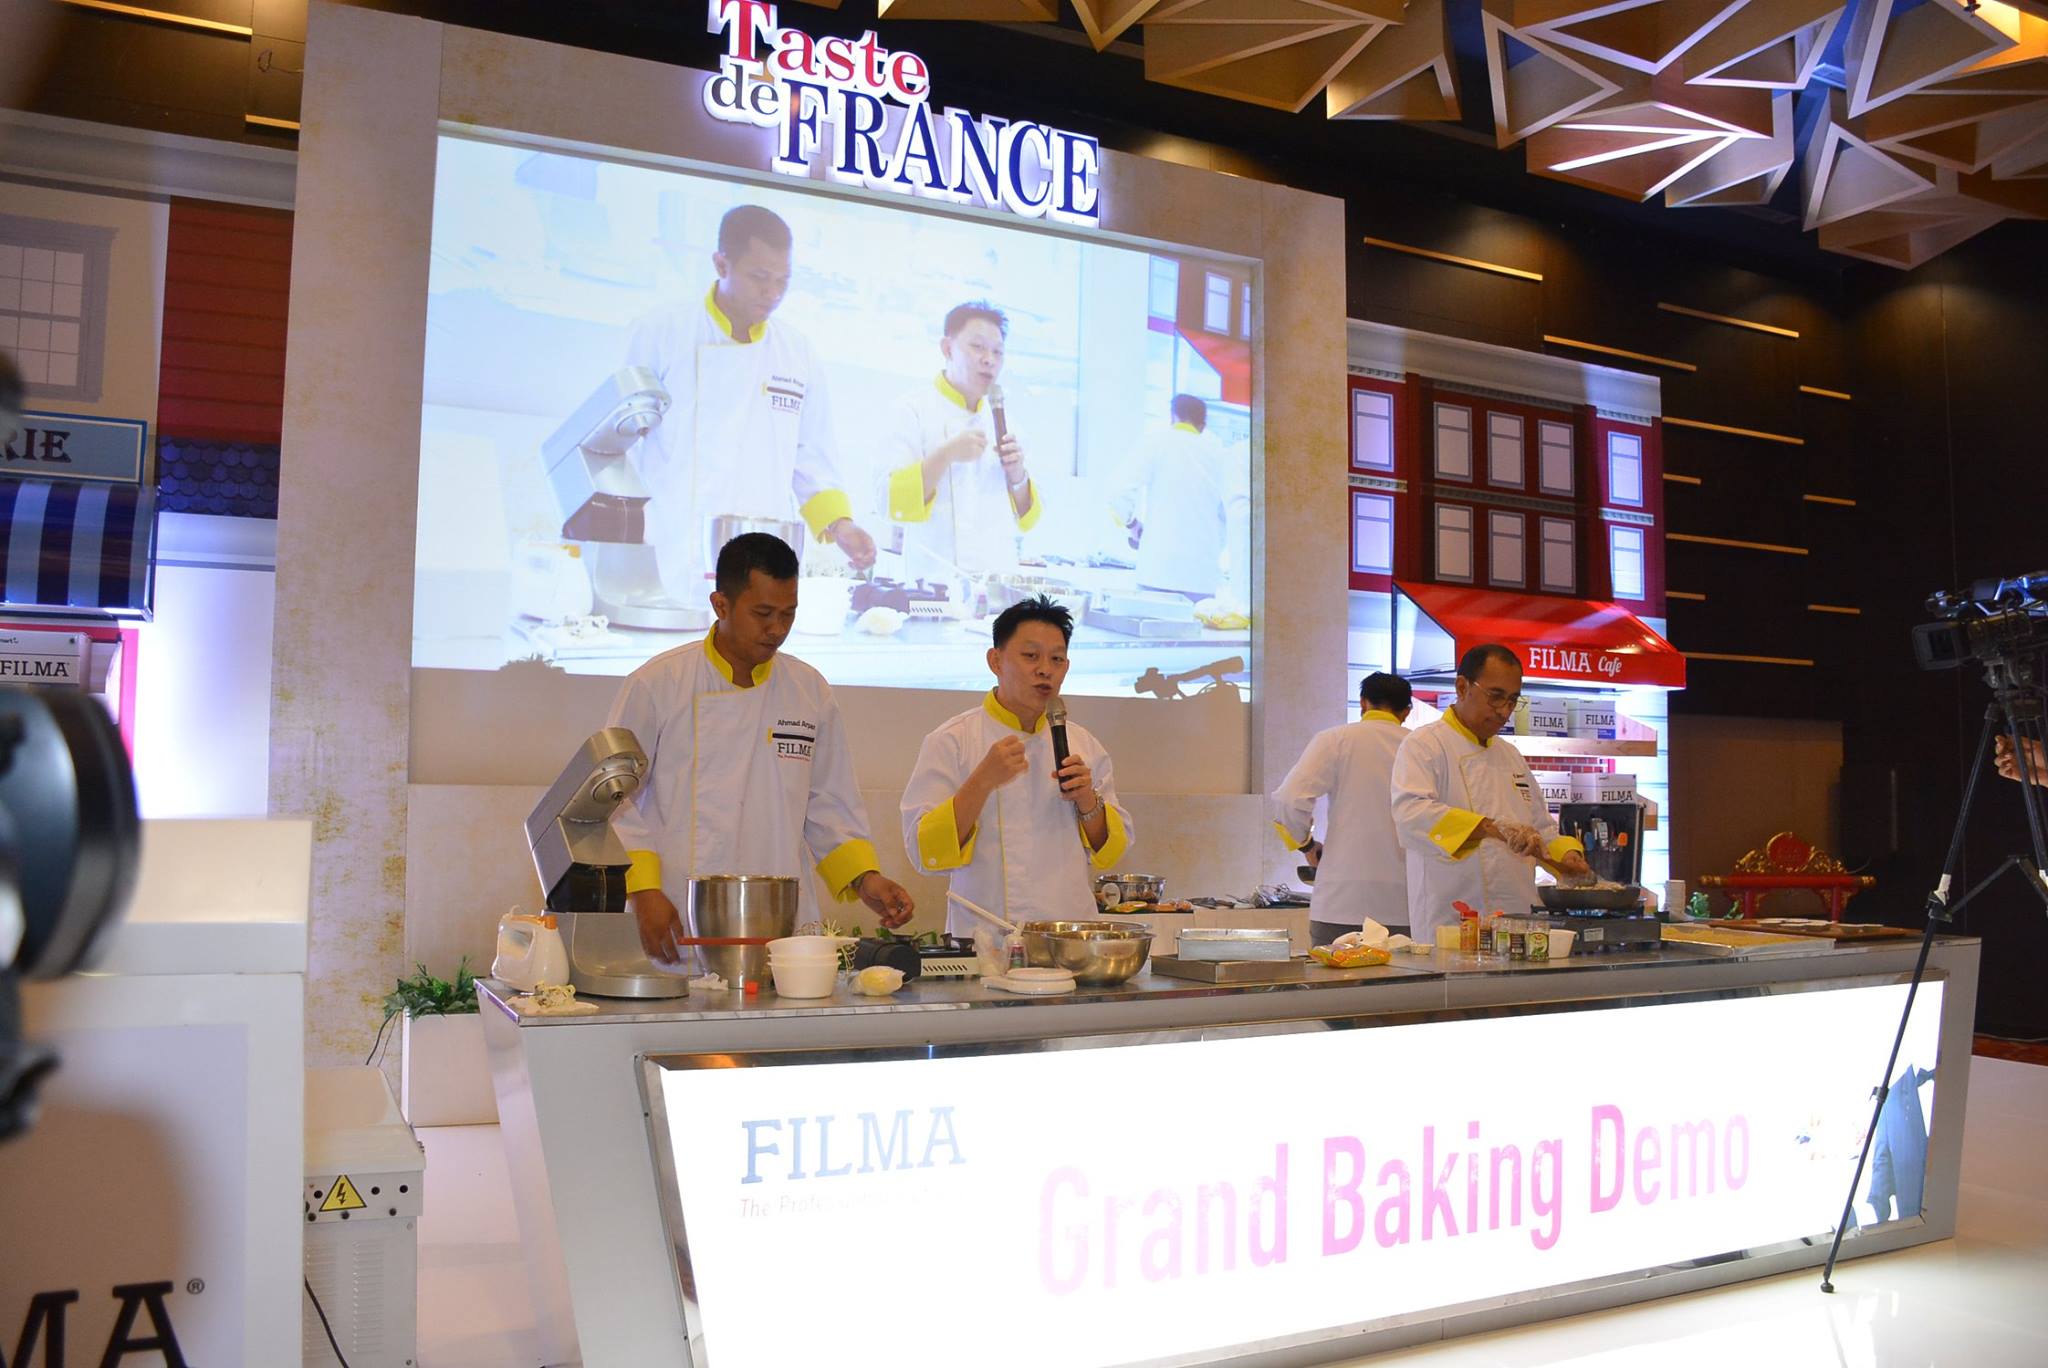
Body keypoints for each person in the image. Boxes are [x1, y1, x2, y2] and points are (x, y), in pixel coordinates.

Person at [610, 533, 913, 967]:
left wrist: (865, 878)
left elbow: (829, 802)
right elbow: (615, 801)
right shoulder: (658, 684)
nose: (777, 629)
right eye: (763, 614)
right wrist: (643, 891)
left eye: (788, 614)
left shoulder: (809, 691)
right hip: (677, 917)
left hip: (782, 923)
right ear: (721, 605)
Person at [625, 204, 877, 599]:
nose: (772, 293)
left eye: (783, 281)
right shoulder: (660, 332)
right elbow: (623, 442)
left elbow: (811, 455)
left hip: (763, 554)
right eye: (759, 278)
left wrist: (841, 525)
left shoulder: (797, 352)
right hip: (674, 550)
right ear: (721, 264)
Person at [901, 595, 1132, 939]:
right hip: (982, 937)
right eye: (1030, 656)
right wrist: (982, 781)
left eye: (1056, 659)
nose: (1045, 669)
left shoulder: (1084, 745)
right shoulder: (953, 740)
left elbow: (1111, 850)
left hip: (1067, 938)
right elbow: (925, 852)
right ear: (995, 660)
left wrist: (1088, 801)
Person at [1392, 644, 1593, 947]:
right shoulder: (1425, 745)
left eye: (1513, 700)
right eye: (1495, 696)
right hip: (1452, 920)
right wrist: (1491, 828)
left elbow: (1541, 827)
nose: (1504, 711)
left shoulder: (1510, 755)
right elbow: (1411, 814)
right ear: (1462, 687)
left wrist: (1566, 857)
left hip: (1517, 918)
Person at [878, 300, 1041, 578]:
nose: (989, 359)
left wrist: (1017, 475)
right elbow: (889, 503)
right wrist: (945, 455)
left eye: (998, 352)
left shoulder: (1010, 425)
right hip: (932, 583)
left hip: (997, 581)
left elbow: (1028, 519)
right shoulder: (912, 410)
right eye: (977, 347)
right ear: (947, 348)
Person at [1270, 671, 1414, 945]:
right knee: (1403, 973)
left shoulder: (1335, 739)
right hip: (1406, 903)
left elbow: (1289, 799)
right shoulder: (1420, 747)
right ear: (1406, 711)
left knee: (1333, 973)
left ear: (1363, 703)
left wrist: (1306, 845)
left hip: (1341, 900)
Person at [1110, 394, 1250, 602]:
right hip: (1202, 577)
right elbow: (1229, 513)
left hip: (1157, 570)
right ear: (1203, 425)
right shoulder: (1220, 454)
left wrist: (1131, 523)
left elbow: (1118, 491)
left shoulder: (1155, 442)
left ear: (1172, 416)